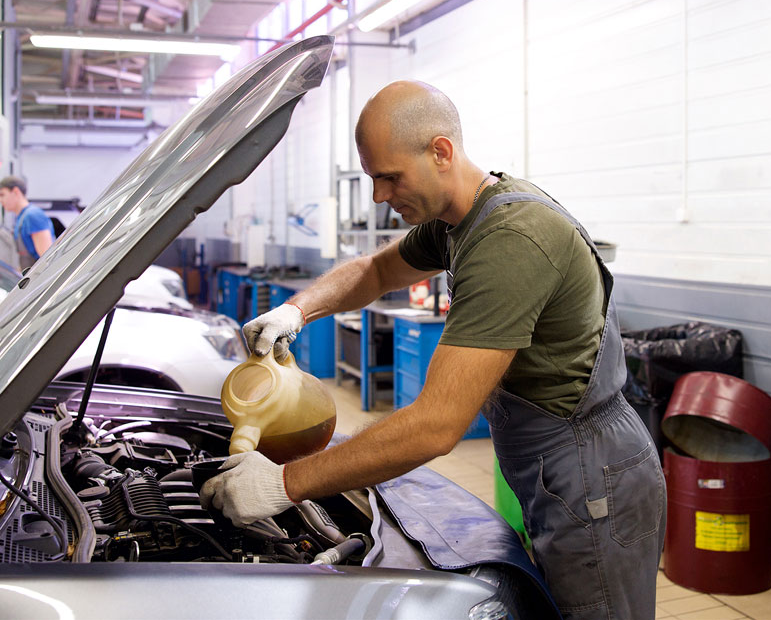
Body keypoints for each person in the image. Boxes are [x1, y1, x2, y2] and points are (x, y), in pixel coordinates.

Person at [200, 81, 666, 619]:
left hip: (592, 473)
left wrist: (283, 484)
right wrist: (296, 311)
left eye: (388, 177)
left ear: (440, 152)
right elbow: (377, 269)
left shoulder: (511, 240)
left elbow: (436, 425)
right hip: (555, 467)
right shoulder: (461, 220)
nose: (378, 195)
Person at [0, 175, 55, 268]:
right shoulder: (22, 217)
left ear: (16, 192)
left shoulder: (33, 216)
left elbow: (47, 259)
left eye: (2, 195)